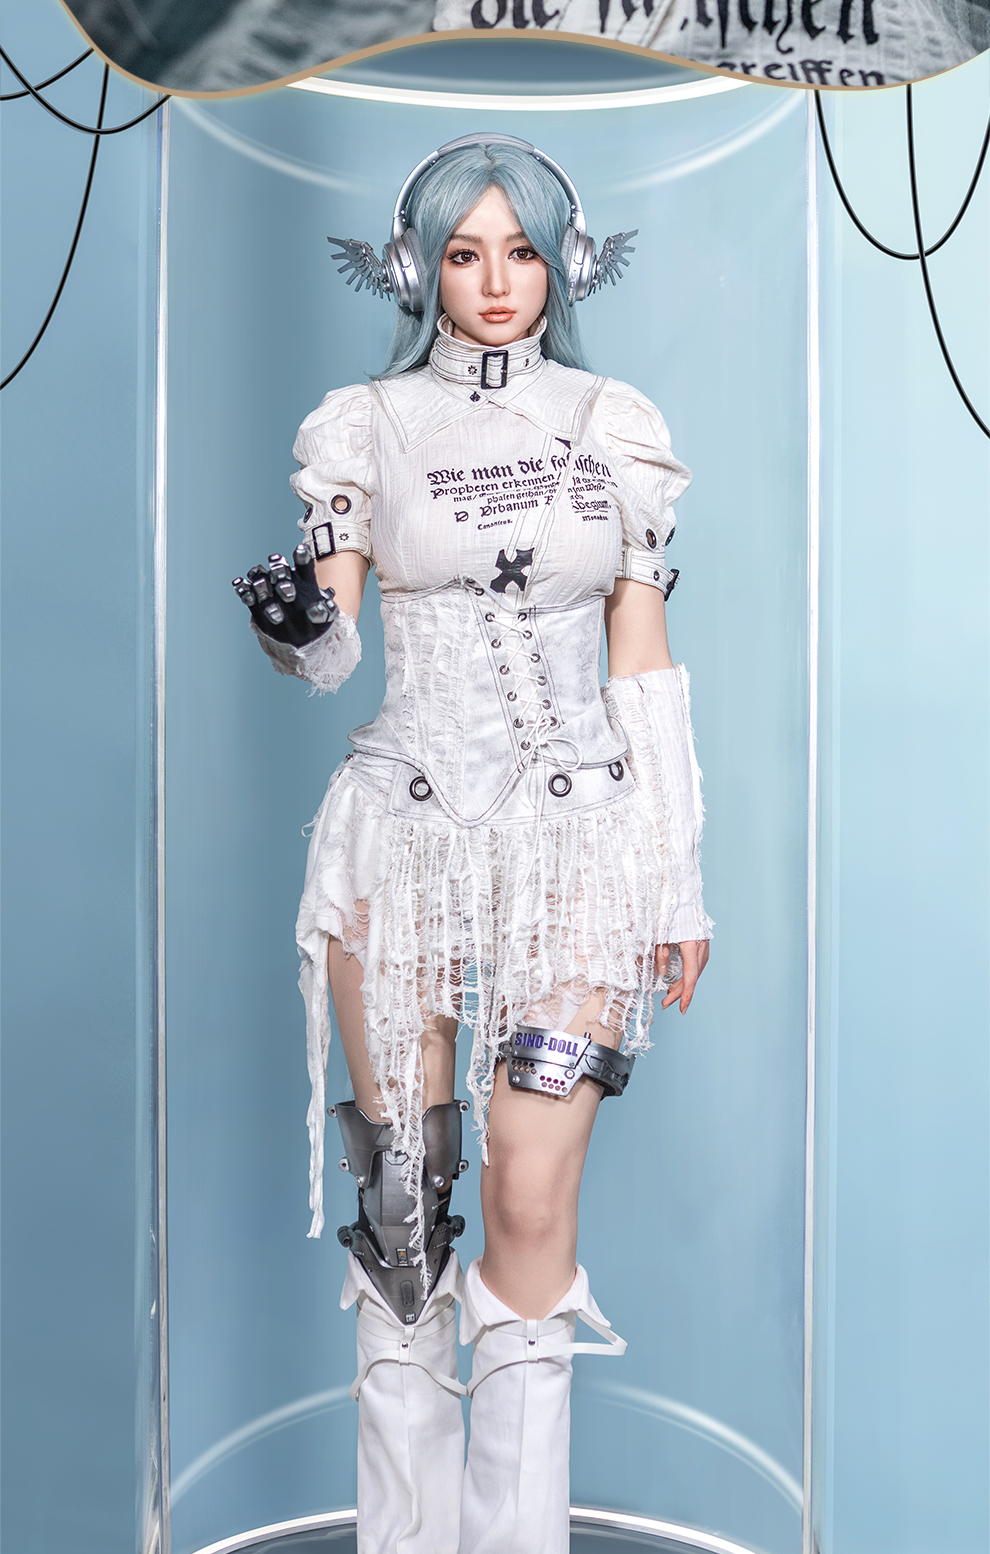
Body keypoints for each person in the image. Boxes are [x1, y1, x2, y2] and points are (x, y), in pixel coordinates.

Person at [233, 132, 712, 1554]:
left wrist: (678, 883)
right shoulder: (363, 425)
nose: (495, 281)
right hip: (402, 839)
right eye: (462, 252)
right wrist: (293, 625)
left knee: (531, 1189)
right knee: (400, 1212)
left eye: (521, 251)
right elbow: (330, 657)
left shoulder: (613, 424)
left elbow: (643, 660)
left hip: (581, 850)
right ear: (418, 268)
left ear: (564, 264)